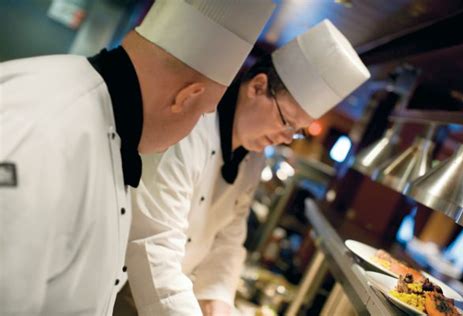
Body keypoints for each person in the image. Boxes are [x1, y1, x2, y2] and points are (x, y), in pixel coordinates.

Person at [0, 0, 275, 315]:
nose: (196, 131)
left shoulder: (108, 130)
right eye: (203, 114)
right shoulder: (42, 132)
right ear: (186, 98)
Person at [120, 20, 371, 316]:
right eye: (287, 121)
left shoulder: (254, 157)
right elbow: (153, 243)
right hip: (124, 289)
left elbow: (229, 237)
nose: (286, 138)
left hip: (173, 296)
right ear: (258, 87)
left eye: (297, 131)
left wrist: (219, 300)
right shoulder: (190, 128)